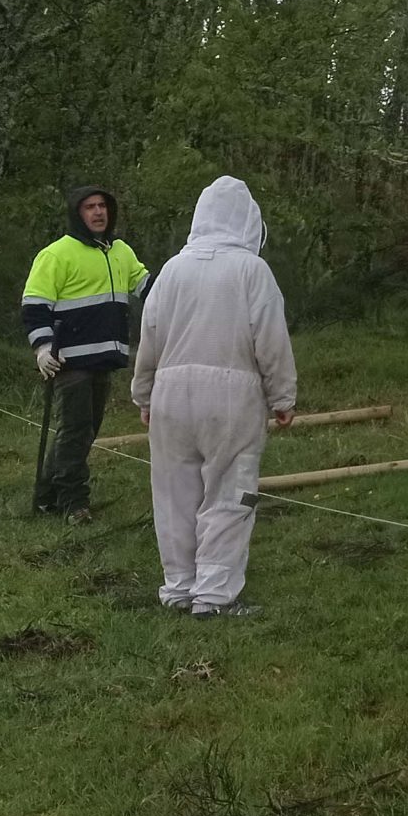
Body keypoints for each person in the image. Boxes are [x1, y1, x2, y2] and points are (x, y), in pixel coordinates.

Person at [129, 176, 297, 618]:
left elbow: (150, 335)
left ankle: (180, 586)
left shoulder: (172, 269)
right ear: (250, 223)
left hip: (170, 394)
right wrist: (283, 397)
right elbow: (271, 339)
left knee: (174, 493)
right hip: (232, 396)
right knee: (228, 492)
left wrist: (143, 395)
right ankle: (214, 596)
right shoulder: (252, 271)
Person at [20, 185, 150, 522]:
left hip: (104, 359)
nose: (98, 212)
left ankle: (47, 496)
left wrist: (189, 275)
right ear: (77, 214)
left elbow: (151, 288)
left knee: (83, 431)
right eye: (90, 207)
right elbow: (34, 306)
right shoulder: (56, 254)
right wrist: (42, 347)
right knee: (76, 432)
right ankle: (73, 503)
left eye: (103, 206)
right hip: (70, 360)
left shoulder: (120, 252)